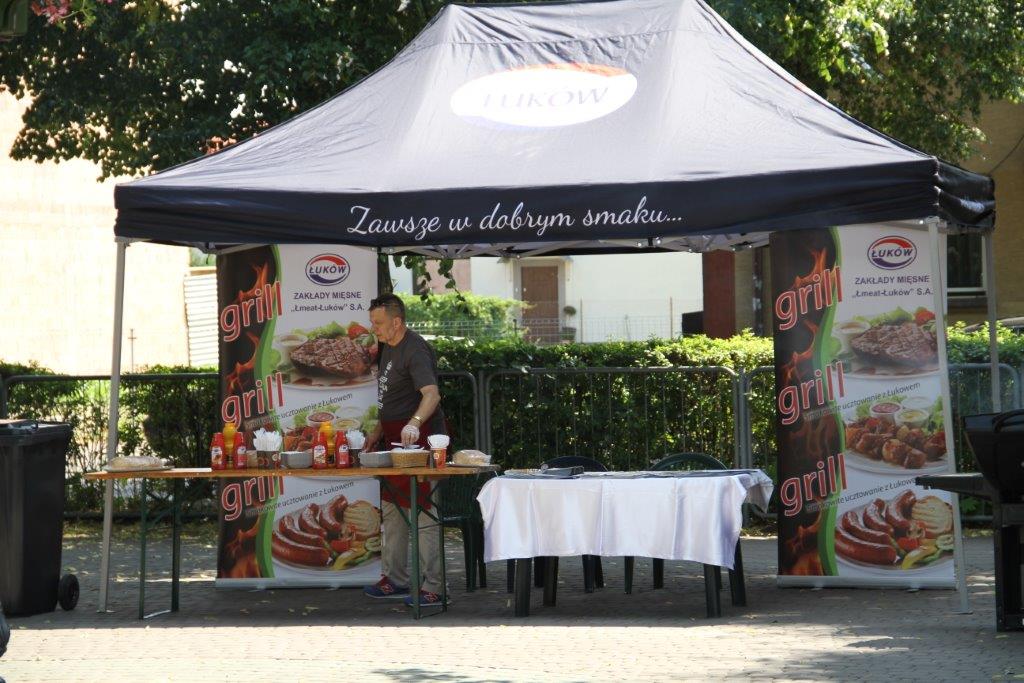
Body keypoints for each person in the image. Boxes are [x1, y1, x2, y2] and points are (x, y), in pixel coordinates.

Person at [362, 293, 448, 608]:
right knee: (392, 510)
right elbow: (391, 398)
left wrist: (414, 423)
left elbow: (431, 395)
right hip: (394, 439)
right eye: (373, 323)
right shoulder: (388, 346)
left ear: (396, 322)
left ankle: (435, 587)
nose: (374, 329)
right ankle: (395, 579)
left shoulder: (415, 349)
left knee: (424, 513)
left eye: (378, 323)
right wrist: (377, 432)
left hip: (421, 440)